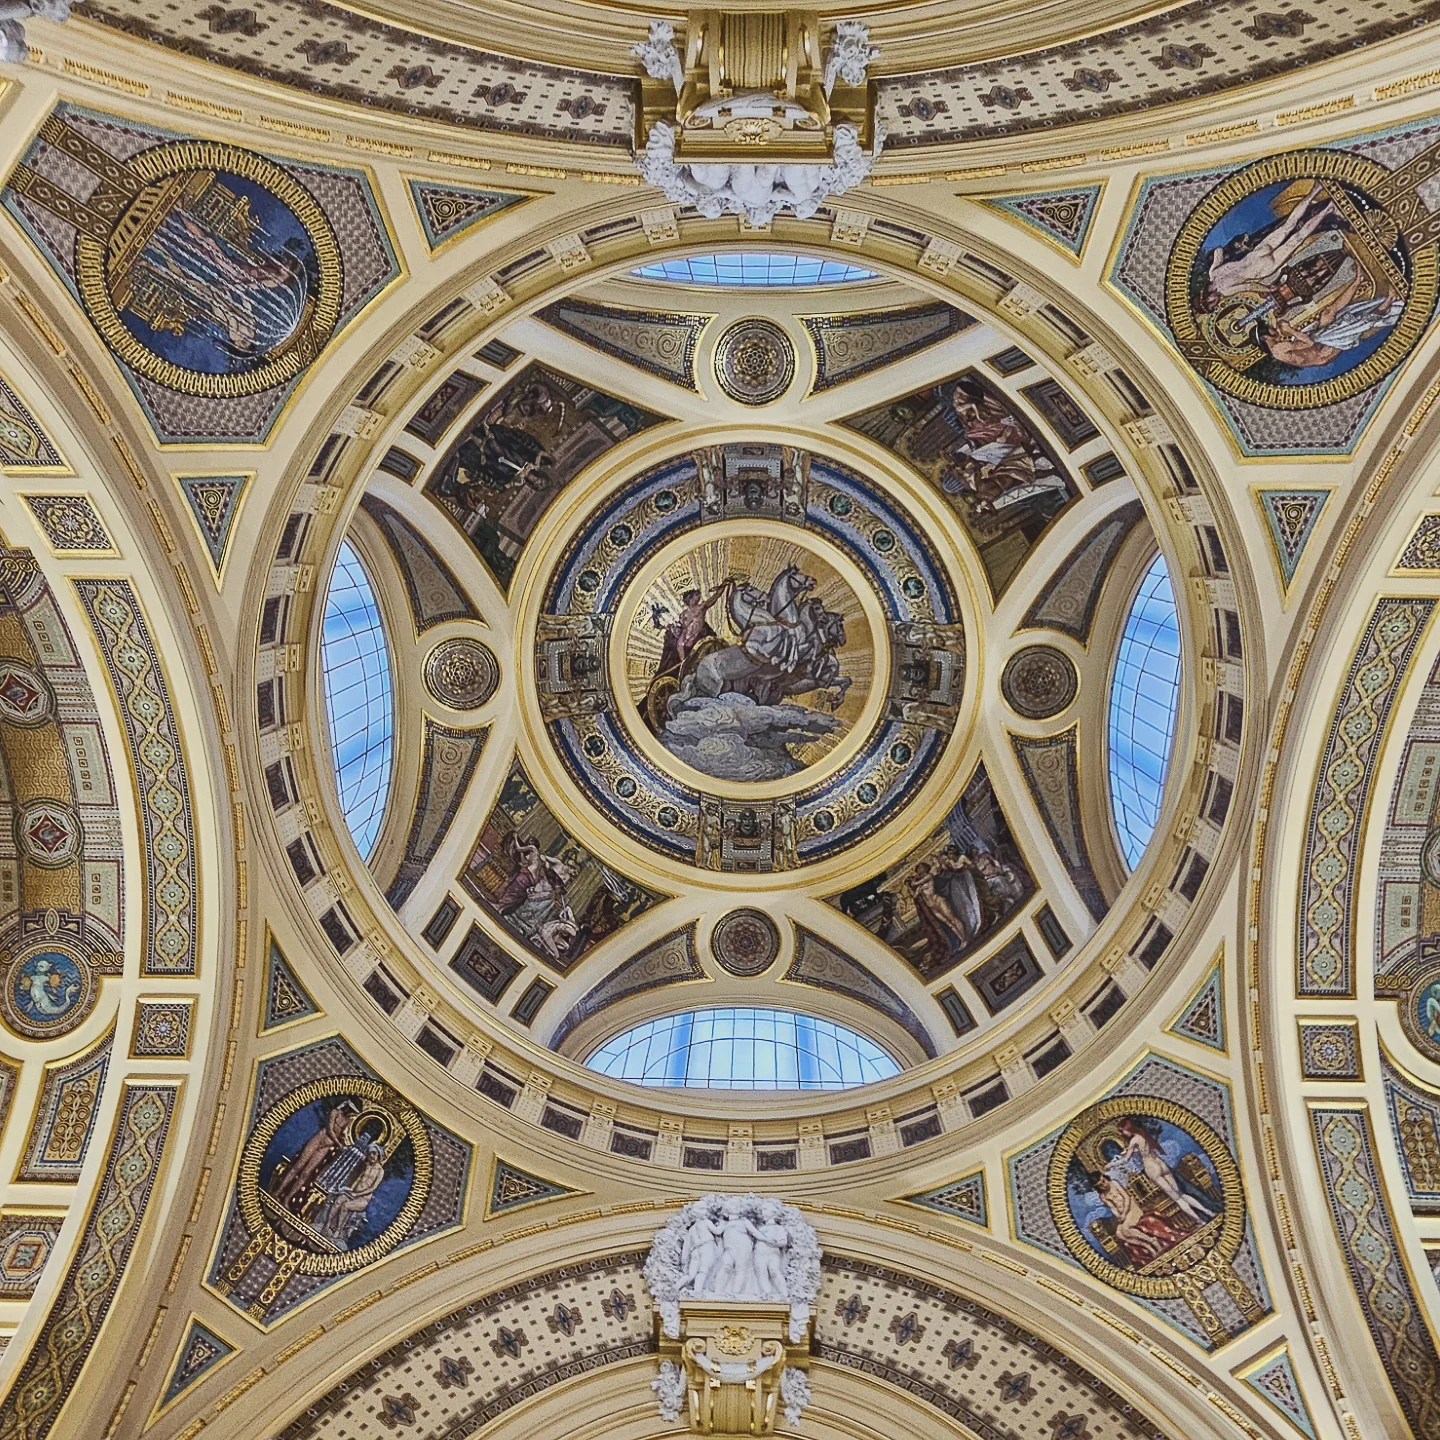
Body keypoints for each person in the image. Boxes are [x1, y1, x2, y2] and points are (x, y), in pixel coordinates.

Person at [1115, 1117, 1218, 1225]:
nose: (1122, 1134)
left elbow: (1125, 1160)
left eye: (1122, 1131)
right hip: (1160, 1163)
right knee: (1181, 1194)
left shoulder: (1133, 1141)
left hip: (1151, 1167)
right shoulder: (1143, 1135)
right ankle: (1209, 1212)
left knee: (1177, 1199)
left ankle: (1200, 1220)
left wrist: (1111, 1164)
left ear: (1128, 1128)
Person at [271, 1100, 358, 1209]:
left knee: (306, 1173)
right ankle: (278, 1192)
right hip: (319, 1139)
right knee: (298, 1166)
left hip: (325, 1147)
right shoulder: (335, 1112)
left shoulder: (349, 1122)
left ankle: (287, 1199)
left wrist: (344, 1141)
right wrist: (339, 1144)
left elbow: (345, 1136)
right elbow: (330, 1129)